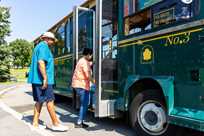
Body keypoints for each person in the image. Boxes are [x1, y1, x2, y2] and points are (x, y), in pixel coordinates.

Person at [27, 32, 68, 131]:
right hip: (43, 80)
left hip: (37, 80)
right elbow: (41, 62)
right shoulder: (44, 47)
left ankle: (35, 123)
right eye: (52, 40)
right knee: (50, 101)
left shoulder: (38, 47)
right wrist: (45, 78)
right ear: (46, 39)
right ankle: (55, 123)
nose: (53, 42)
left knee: (39, 101)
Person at [72, 48, 94, 128]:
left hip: (79, 85)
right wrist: (95, 82)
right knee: (84, 104)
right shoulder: (85, 63)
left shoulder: (82, 60)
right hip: (82, 85)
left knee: (84, 103)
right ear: (88, 54)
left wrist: (93, 63)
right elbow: (88, 76)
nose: (91, 56)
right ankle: (79, 122)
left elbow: (90, 63)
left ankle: (81, 121)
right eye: (91, 55)